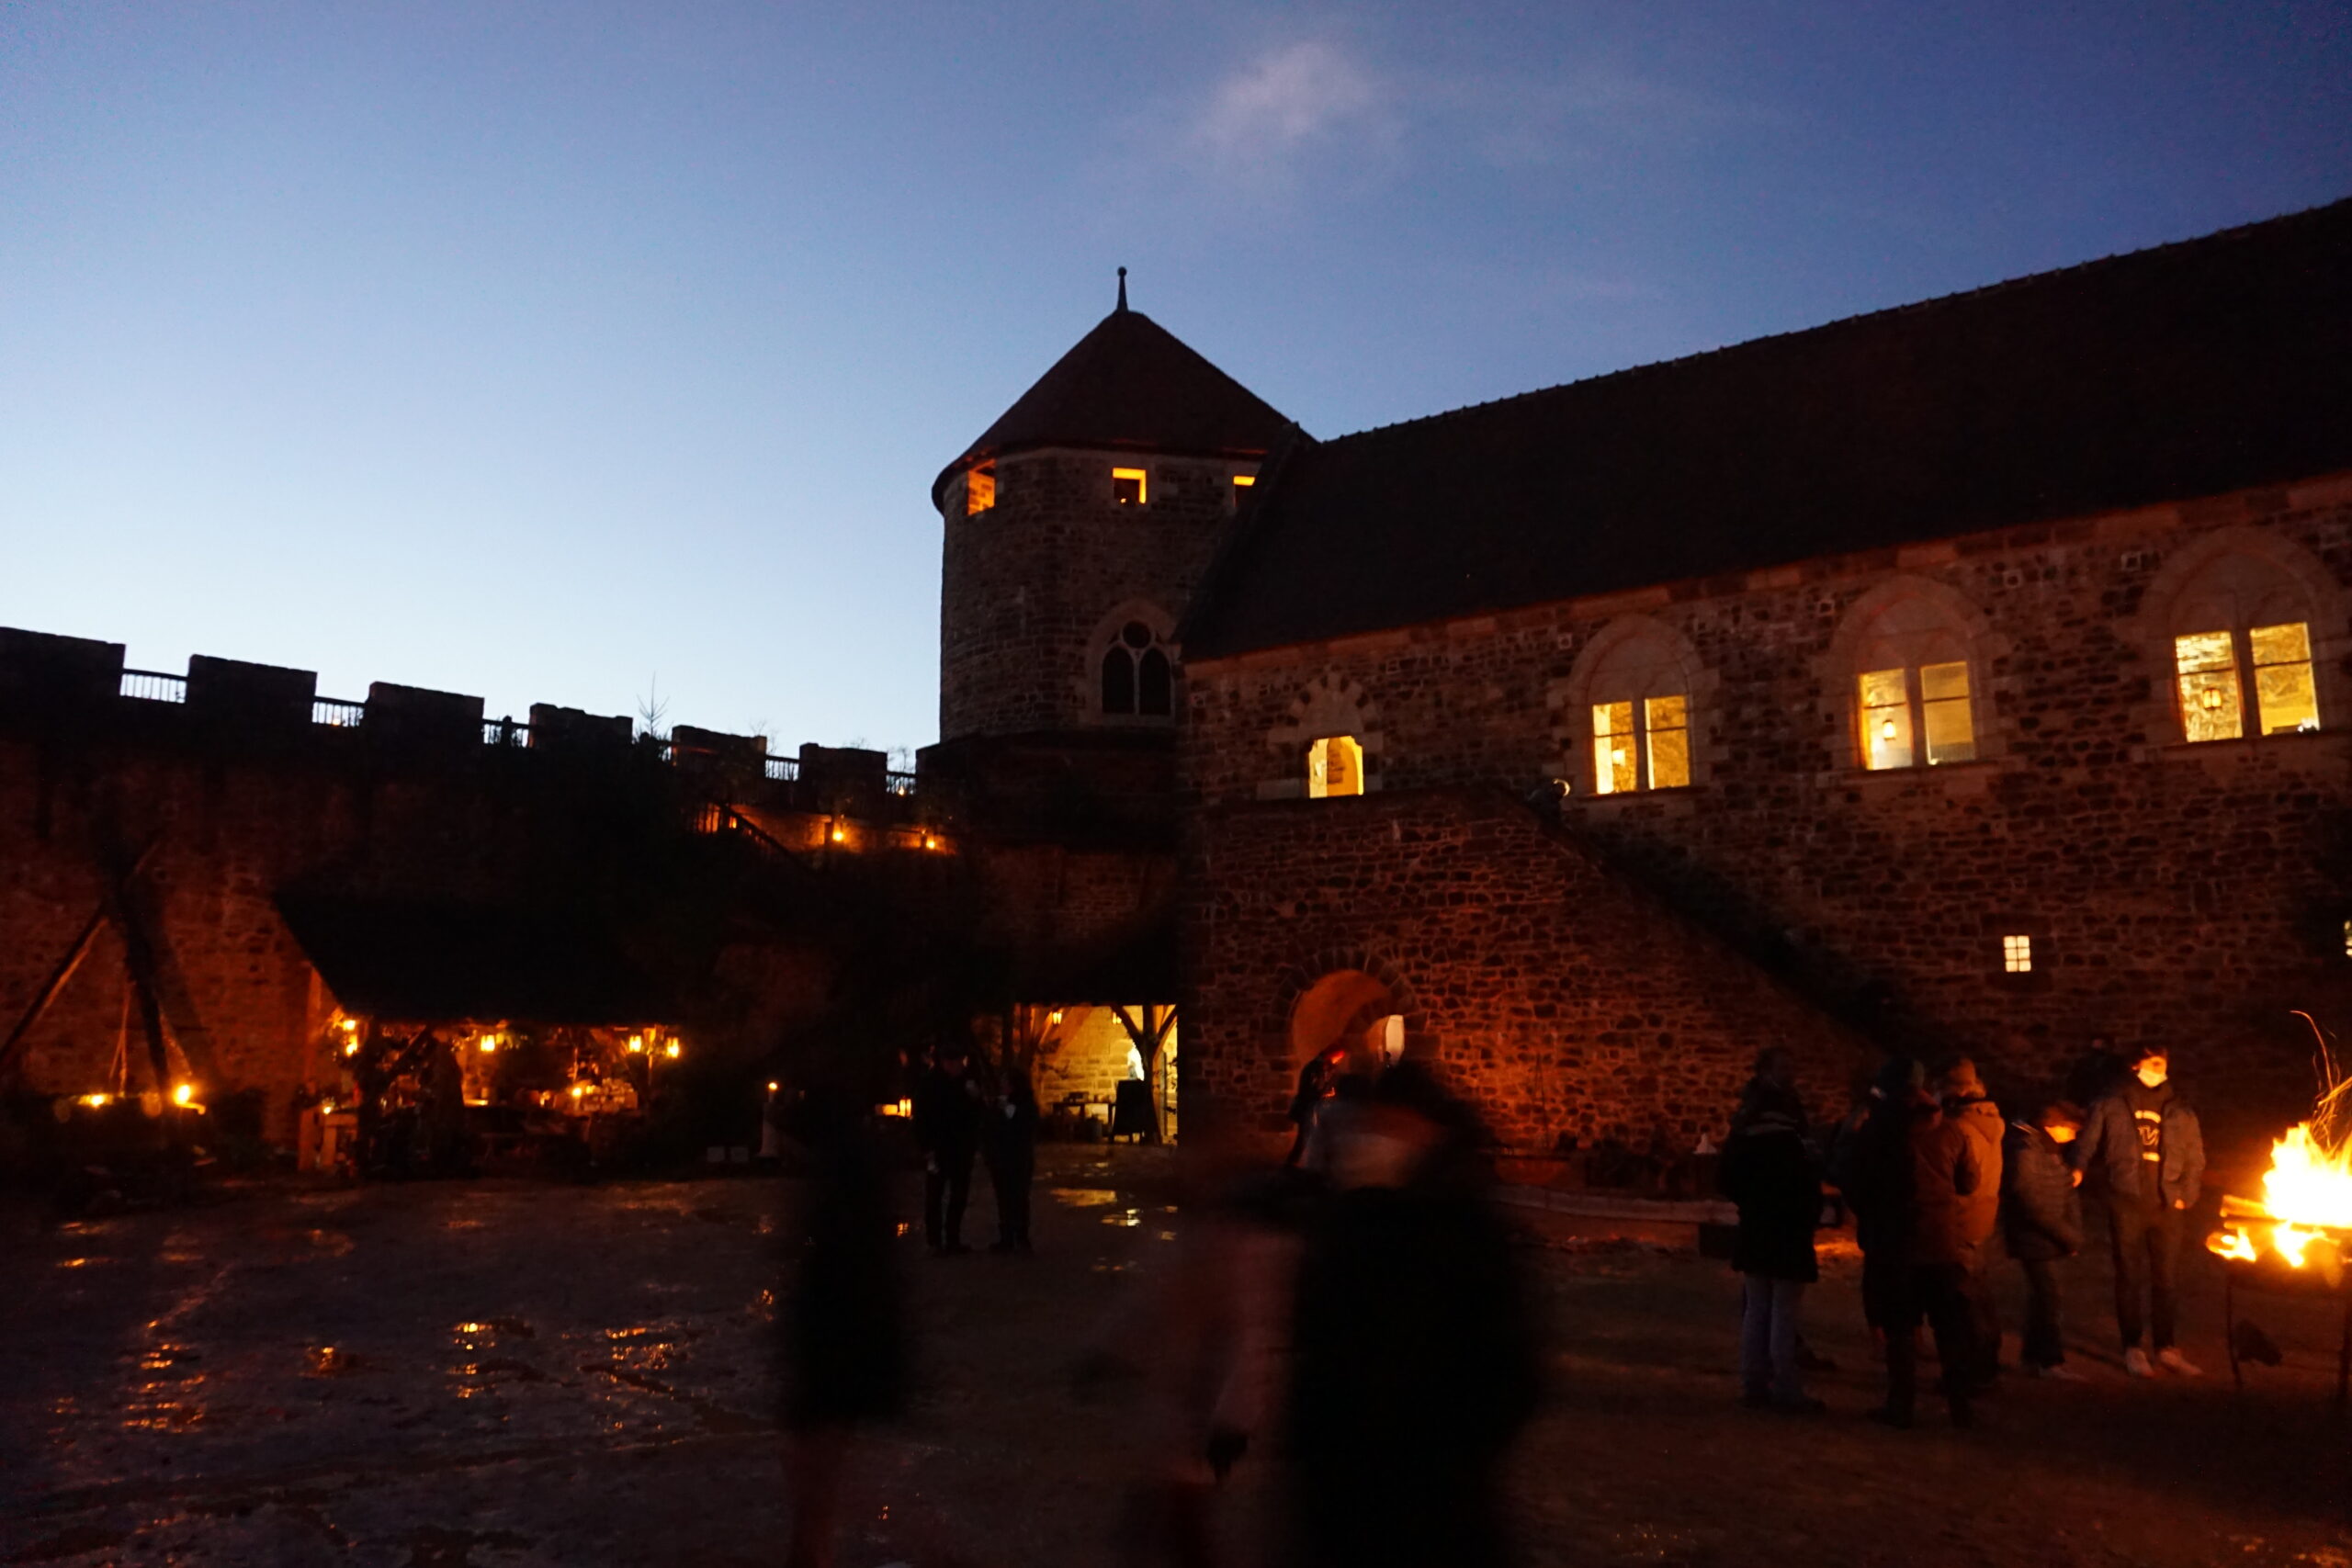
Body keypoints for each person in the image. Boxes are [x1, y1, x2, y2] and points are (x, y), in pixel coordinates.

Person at [1284, 1061, 1538, 1568]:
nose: (1374, 1138)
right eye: (1373, 1125)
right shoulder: (1351, 1218)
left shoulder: (1463, 1228)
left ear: (1425, 1130)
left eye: (1389, 1126)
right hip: (1346, 1498)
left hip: (1433, 1503)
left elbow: (1507, 1369)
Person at [776, 1084, 907, 1568]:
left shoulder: (840, 1181)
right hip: (841, 1345)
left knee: (824, 1484)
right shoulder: (847, 1172)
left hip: (836, 1348)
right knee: (821, 1488)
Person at [2072, 1044, 2206, 1377]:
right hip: (2127, 1201)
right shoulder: (2110, 1104)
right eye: (2154, 1063)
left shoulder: (2180, 1110)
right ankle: (2133, 1347)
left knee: (2167, 1280)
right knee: (2129, 1277)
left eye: (2163, 1064)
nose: (2160, 1069)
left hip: (2167, 1205)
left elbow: (2196, 1156)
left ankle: (2166, 1348)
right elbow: (2088, 1140)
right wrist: (2078, 1167)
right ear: (2136, 1067)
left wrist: (2185, 1196)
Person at [1718, 1047, 1824, 1413]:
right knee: (1778, 1310)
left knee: (1759, 1306)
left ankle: (1755, 1382)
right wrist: (1807, 1210)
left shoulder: (1745, 1123)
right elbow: (1808, 1173)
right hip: (1786, 1226)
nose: (1791, 1072)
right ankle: (1783, 1388)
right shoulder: (1789, 1128)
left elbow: (1728, 1175)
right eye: (1784, 1067)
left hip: (1760, 1224)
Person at [2001, 1100, 2086, 1380]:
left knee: (2042, 1298)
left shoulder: (2048, 1150)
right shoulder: (2026, 1151)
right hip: (2033, 1236)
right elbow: (2030, 1200)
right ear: (2053, 1126)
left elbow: (2064, 1188)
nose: (2073, 1136)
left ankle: (2033, 1358)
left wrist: (2069, 1232)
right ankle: (2049, 1361)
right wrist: (2067, 1235)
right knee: (2049, 1297)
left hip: (2047, 1236)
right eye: (2070, 1130)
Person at [1939, 1057, 2005, 1390]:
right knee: (1979, 1292)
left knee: (1961, 1299)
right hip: (1984, 1215)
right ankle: (1988, 1359)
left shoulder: (1959, 1128)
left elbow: (1962, 1178)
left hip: (1961, 1217)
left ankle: (1970, 1371)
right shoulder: (1994, 1123)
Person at [912, 1041, 985, 1256]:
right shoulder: (930, 1084)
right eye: (955, 1062)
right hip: (939, 1147)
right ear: (946, 1063)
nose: (959, 1066)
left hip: (962, 1148)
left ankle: (953, 1238)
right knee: (935, 1195)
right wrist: (926, 1147)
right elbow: (922, 1118)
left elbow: (976, 1114)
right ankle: (935, 1241)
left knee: (958, 1194)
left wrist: (976, 1100)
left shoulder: (966, 1082)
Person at [984, 1065, 1039, 1254]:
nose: (1003, 1086)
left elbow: (1026, 1127)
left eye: (1006, 1083)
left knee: (1020, 1198)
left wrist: (1009, 1110)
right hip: (1001, 1159)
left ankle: (1021, 1236)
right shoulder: (998, 1105)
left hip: (1019, 1158)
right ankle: (1006, 1237)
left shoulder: (1026, 1104)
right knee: (1004, 1199)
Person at [1283, 1043, 1347, 1168]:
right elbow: (1309, 1090)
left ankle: (1304, 1163)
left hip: (1315, 1106)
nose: (1339, 1060)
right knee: (1305, 1136)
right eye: (1338, 1057)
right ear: (1332, 1055)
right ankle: (1292, 1163)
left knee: (1311, 1136)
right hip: (1308, 1107)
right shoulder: (1314, 1068)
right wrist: (1324, 1094)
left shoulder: (1326, 1068)